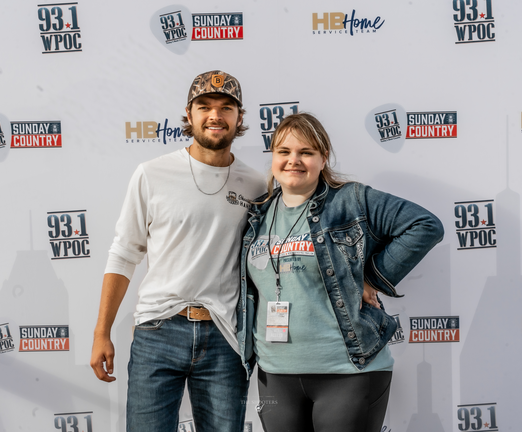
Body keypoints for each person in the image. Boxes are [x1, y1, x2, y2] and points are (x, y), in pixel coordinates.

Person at [240, 113, 444, 432]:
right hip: (275, 374)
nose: (293, 160)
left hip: (347, 371)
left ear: (323, 158)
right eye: (284, 151)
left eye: (306, 152)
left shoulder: (350, 200)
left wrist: (372, 277)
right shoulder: (258, 212)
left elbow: (425, 225)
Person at [90, 70, 266, 432]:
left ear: (239, 117)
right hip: (158, 330)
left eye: (226, 107)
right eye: (205, 106)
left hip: (225, 337)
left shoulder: (256, 184)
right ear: (189, 114)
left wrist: (362, 280)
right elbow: (124, 253)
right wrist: (101, 332)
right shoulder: (152, 174)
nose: (215, 115)